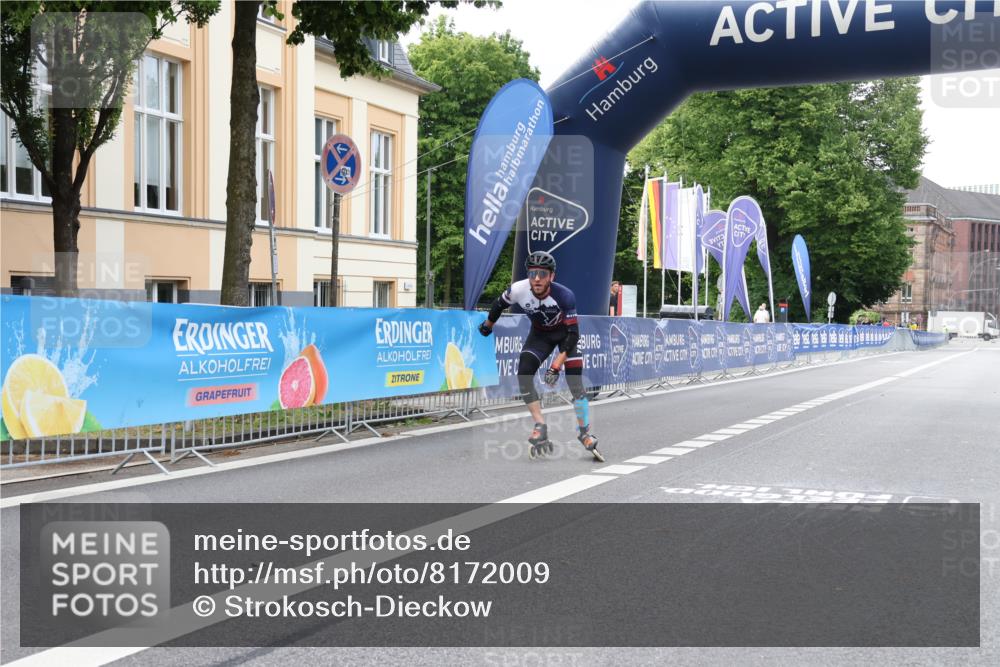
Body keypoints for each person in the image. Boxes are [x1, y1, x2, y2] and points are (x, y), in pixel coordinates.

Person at [479, 251, 604, 461]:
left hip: (566, 337)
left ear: (551, 277)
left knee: (575, 384)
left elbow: (573, 335)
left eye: (543, 274)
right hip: (540, 336)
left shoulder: (565, 296)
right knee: (524, 373)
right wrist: (488, 325)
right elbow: (498, 304)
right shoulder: (518, 289)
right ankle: (540, 425)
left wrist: (555, 366)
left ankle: (584, 433)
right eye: (533, 273)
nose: (537, 278)